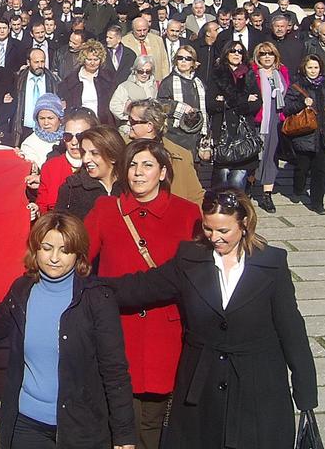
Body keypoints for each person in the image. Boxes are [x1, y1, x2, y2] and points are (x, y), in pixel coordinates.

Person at [105, 189, 318, 449]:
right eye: (208, 229)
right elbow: (143, 287)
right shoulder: (190, 259)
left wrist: (306, 397)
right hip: (201, 391)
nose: (214, 238)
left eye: (223, 231)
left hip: (258, 388)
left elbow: (292, 330)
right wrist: (90, 289)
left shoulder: (272, 264)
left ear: (244, 224)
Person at [0, 213, 136, 449]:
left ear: (78, 254)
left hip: (81, 428)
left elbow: (115, 371)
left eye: (65, 250)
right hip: (27, 425)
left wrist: (124, 434)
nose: (55, 258)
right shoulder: (22, 290)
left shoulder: (97, 299)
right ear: (35, 249)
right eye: (47, 248)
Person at [84, 139, 201, 449]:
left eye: (147, 165)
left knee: (152, 420)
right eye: (133, 165)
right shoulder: (107, 209)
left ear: (163, 172)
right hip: (116, 330)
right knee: (118, 417)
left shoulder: (188, 214)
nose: (137, 173)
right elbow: (80, 258)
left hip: (165, 332)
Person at [284, 55, 325, 214]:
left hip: (322, 133)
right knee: (302, 168)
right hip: (304, 133)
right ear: (304, 68)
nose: (313, 71)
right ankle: (298, 188)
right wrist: (301, 104)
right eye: (310, 67)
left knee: (321, 170)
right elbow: (287, 108)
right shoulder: (297, 86)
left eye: (316, 67)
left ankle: (317, 203)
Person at [125, 99, 205, 206]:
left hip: (173, 219)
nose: (128, 124)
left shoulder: (181, 155)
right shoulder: (119, 148)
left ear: (149, 126)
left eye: (132, 121)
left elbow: (196, 196)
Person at [206, 41, 261, 191]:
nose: (237, 54)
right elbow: (211, 104)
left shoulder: (249, 74)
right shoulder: (216, 74)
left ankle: (237, 209)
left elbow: (257, 103)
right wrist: (244, 99)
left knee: (238, 179)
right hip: (223, 130)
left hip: (243, 131)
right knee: (221, 177)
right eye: (233, 51)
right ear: (226, 53)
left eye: (240, 51)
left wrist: (226, 101)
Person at [248, 42, 289, 213]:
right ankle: (248, 187)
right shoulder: (253, 73)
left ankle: (267, 194)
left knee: (271, 156)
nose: (266, 57)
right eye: (263, 53)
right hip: (258, 119)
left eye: (270, 54)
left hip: (275, 119)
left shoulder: (281, 73)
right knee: (254, 155)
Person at [155, 44, 207, 155]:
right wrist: (181, 107)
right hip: (175, 135)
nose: (183, 61)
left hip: (195, 136)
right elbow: (160, 104)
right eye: (180, 58)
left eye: (188, 58)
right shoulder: (168, 82)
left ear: (193, 62)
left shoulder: (199, 83)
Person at [56, 40, 115, 126]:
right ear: (83, 59)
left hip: (102, 124)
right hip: (80, 124)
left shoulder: (108, 78)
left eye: (96, 59)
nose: (92, 63)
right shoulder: (71, 80)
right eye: (89, 59)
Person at [109, 55, 157, 130]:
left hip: (148, 128)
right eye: (141, 71)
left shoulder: (153, 86)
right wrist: (128, 117)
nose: (144, 74)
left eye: (148, 71)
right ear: (135, 70)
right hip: (130, 128)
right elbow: (114, 105)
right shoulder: (125, 86)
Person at [19, 93, 65, 169]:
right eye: (42, 118)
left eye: (50, 118)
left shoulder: (69, 138)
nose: (46, 123)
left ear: (59, 119)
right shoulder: (29, 144)